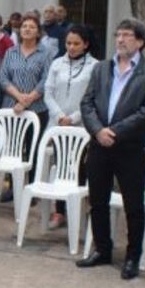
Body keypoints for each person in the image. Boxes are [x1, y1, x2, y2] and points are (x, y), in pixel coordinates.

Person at [77, 19, 145, 280]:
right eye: (118, 34)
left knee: (133, 205)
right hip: (99, 145)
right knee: (98, 201)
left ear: (139, 42)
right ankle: (102, 249)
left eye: (127, 35)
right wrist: (98, 130)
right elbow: (87, 103)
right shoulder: (102, 68)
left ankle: (132, 256)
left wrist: (114, 131)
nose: (121, 39)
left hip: (129, 149)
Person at [43, 25, 98, 229]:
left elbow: (92, 97)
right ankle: (59, 211)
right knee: (60, 164)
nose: (72, 47)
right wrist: (59, 116)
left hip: (81, 125)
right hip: (58, 125)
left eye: (76, 43)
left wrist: (73, 118)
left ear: (86, 44)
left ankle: (79, 207)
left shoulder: (95, 66)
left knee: (79, 167)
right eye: (68, 43)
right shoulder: (57, 63)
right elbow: (48, 92)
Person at [0, 13, 53, 203]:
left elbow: (47, 80)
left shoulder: (45, 54)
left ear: (38, 32)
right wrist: (19, 97)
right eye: (24, 26)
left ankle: (32, 188)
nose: (27, 29)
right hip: (12, 108)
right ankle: (13, 188)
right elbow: (3, 78)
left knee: (33, 149)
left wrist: (28, 99)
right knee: (13, 149)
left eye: (31, 26)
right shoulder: (10, 52)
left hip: (37, 109)